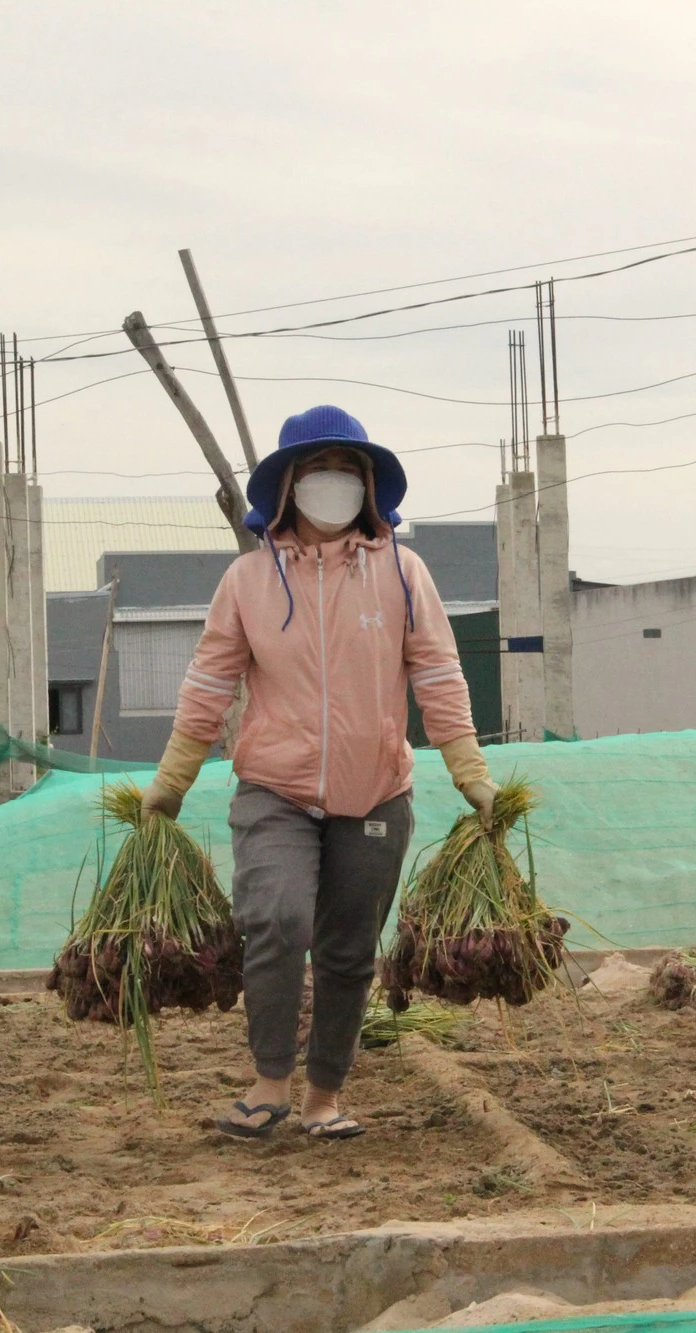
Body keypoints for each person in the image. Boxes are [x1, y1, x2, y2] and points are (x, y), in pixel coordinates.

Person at [141, 405, 496, 1140]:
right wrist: (170, 782)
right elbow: (209, 683)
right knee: (276, 916)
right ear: (287, 486)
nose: (331, 485)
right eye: (316, 471)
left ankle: (324, 1094)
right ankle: (270, 1077)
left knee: (346, 948)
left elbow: (438, 674)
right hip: (276, 788)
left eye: (345, 470)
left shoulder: (403, 572)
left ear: (367, 485)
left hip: (374, 793)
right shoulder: (247, 581)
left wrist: (470, 772)